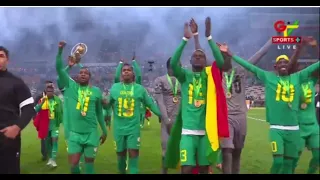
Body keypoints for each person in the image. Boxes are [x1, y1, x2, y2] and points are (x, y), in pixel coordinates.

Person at [216, 41, 319, 174]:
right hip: (277, 128)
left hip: (294, 129)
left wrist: (313, 47)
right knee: (278, 162)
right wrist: (230, 53)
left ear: (290, 65)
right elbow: (249, 66)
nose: (283, 64)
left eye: (285, 62)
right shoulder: (268, 77)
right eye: (280, 62)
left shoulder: (297, 77)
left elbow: (316, 66)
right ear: (275, 66)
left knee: (289, 164)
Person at [191, 18, 273, 174]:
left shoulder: (241, 70)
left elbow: (260, 54)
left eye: (226, 54)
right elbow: (199, 52)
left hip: (241, 117)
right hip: (224, 117)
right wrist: (196, 35)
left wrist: (274, 38)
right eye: (221, 55)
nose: (224, 58)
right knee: (227, 151)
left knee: (237, 153)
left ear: (230, 55)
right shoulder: (215, 72)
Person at [164, 18, 229, 174]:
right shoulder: (185, 76)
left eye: (202, 56)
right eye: (196, 56)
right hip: (187, 132)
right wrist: (185, 39)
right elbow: (173, 63)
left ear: (206, 61)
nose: (199, 57)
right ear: (190, 60)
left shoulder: (210, 76)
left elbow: (221, 63)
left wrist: (209, 37)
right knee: (186, 169)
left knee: (204, 170)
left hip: (206, 132)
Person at [56, 41, 107, 174]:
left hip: (91, 133)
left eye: (86, 73)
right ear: (77, 76)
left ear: (90, 77)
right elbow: (59, 71)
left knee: (89, 164)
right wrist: (62, 54)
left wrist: (105, 130)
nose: (83, 74)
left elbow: (99, 113)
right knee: (73, 164)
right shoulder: (71, 87)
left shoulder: (96, 91)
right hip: (74, 134)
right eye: (81, 73)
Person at [104, 62, 161, 174]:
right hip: (119, 129)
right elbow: (107, 105)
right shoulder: (115, 88)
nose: (126, 72)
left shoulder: (139, 89)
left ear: (132, 73)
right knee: (120, 155)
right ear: (121, 74)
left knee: (133, 153)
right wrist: (103, 105)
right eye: (124, 70)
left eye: (128, 70)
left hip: (133, 129)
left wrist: (160, 114)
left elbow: (150, 103)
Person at [0, 46, 36, 174]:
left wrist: (17, 127)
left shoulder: (16, 83)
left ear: (7, 60)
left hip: (7, 139)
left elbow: (28, 109)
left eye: (1, 56)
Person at [289, 37, 319, 174]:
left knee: (318, 157)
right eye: (299, 68)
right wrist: (298, 49)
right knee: (294, 158)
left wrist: (315, 47)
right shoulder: (292, 82)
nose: (303, 69)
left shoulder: (312, 81)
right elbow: (291, 67)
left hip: (313, 126)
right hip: (298, 127)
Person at [154, 57, 181, 174]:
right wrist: (166, 119)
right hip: (167, 120)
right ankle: (164, 171)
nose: (180, 67)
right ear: (171, 66)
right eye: (178, 64)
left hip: (181, 120)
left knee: (183, 150)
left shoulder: (183, 80)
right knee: (165, 149)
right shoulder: (160, 80)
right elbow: (159, 101)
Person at [34, 85, 63, 168]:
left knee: (54, 140)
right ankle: (50, 158)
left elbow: (61, 111)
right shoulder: (42, 100)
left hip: (54, 125)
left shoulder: (57, 100)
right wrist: (42, 102)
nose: (49, 93)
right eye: (48, 91)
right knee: (47, 143)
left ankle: (53, 160)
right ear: (45, 92)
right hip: (45, 125)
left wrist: (60, 121)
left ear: (53, 92)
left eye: (51, 91)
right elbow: (36, 109)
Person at [34, 80, 55, 161]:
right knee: (44, 138)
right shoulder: (39, 97)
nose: (49, 87)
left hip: (52, 121)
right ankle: (44, 154)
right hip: (42, 120)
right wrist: (35, 118)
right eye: (48, 86)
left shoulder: (55, 97)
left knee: (52, 137)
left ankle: (51, 152)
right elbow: (34, 108)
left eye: (51, 85)